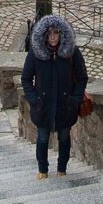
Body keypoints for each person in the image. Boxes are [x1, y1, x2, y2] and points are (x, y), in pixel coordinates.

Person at [21, 13, 87, 179]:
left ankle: (62, 169)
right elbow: (26, 78)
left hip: (65, 106)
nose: (52, 37)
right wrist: (34, 100)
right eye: (49, 34)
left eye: (56, 33)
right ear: (43, 35)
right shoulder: (36, 53)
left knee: (64, 137)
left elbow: (82, 78)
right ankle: (42, 169)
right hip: (43, 106)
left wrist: (75, 99)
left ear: (62, 34)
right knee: (42, 137)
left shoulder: (72, 53)